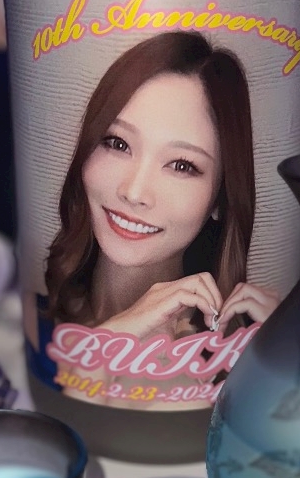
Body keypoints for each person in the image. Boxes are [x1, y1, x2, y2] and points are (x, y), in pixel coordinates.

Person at [38, 31, 279, 404]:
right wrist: (113, 337)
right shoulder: (32, 313)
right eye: (118, 143)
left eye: (181, 165)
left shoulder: (200, 377)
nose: (134, 192)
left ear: (220, 197)